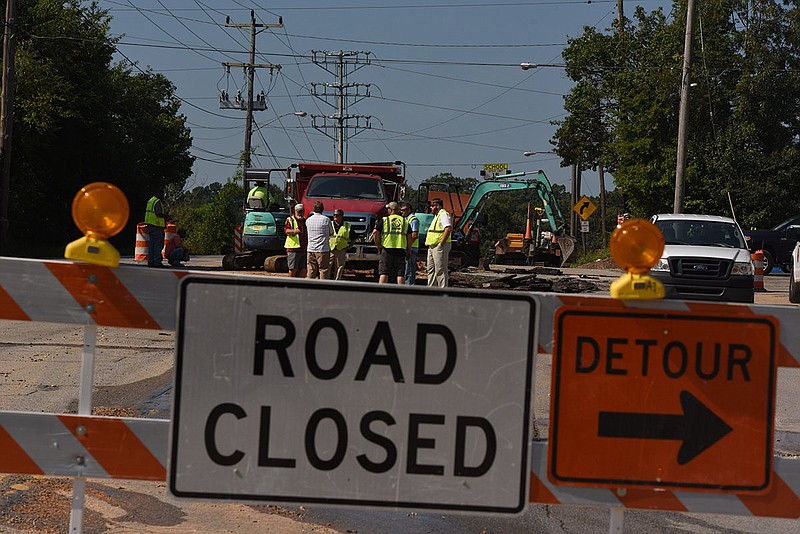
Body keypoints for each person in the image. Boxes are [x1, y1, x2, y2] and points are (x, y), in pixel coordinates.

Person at [372, 201, 411, 284]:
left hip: (387, 249)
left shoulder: (385, 220)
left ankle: (381, 292)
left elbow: (375, 232)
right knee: (400, 273)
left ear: (391, 210)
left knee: (384, 272)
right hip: (400, 249)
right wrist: (409, 250)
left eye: (388, 208)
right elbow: (409, 237)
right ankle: (401, 293)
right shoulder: (405, 221)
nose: (387, 210)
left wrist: (378, 245)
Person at [425, 197, 452, 287]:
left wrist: (441, 244)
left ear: (437, 206)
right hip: (432, 246)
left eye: (432, 206)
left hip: (439, 246)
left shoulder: (443, 215)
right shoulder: (437, 216)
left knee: (440, 269)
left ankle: (443, 289)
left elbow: (448, 229)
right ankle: (431, 289)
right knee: (431, 269)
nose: (430, 208)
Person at [305, 201, 332, 279]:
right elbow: (331, 232)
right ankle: (323, 287)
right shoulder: (326, 220)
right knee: (323, 270)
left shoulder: (308, 220)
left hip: (310, 248)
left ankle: (309, 287)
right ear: (322, 209)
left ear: (313, 209)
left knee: (311, 269)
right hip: (322, 249)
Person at [284, 203, 308, 278]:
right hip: (293, 249)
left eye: (302, 211)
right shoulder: (290, 220)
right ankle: (291, 285)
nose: (300, 213)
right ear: (295, 211)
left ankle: (299, 284)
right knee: (292, 269)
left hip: (303, 248)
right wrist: (294, 231)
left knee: (304, 269)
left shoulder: (305, 221)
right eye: (299, 211)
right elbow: (286, 231)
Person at [144, 195, 168, 268]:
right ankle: (157, 262)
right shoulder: (157, 202)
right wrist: (166, 216)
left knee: (152, 245)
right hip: (157, 225)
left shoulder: (150, 201)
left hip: (150, 225)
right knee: (158, 244)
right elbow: (158, 214)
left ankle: (151, 262)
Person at [400, 202, 419, 285]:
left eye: (403, 210)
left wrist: (409, 246)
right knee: (406, 268)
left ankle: (410, 285)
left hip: (411, 247)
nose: (402, 212)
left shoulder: (413, 220)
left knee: (410, 268)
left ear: (409, 210)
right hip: (408, 247)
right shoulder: (406, 219)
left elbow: (414, 235)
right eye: (401, 210)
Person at [329, 209, 351, 280]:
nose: (335, 216)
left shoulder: (347, 226)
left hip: (341, 249)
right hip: (330, 249)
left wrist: (349, 246)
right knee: (327, 266)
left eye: (337, 215)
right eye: (334, 215)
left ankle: (337, 281)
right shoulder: (329, 224)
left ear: (341, 216)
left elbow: (354, 237)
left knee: (340, 266)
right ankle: (325, 281)